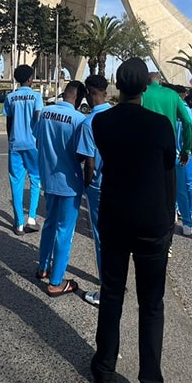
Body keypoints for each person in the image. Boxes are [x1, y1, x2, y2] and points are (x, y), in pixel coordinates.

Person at [90, 58, 188, 383]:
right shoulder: (160, 125)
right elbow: (168, 172)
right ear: (146, 86)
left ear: (117, 85)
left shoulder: (102, 122)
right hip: (151, 222)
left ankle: (104, 370)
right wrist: (169, 221)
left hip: (114, 218)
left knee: (111, 294)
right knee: (151, 304)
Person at [35, 81, 86, 296]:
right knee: (65, 231)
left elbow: (38, 141)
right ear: (79, 98)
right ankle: (56, 281)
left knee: (49, 223)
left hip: (48, 179)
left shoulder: (45, 113)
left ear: (64, 93)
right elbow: (82, 153)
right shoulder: (79, 119)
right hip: (69, 182)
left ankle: (43, 267)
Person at [76, 74, 111, 307]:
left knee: (101, 237)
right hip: (121, 183)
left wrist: (86, 185)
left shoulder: (89, 123)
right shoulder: (118, 115)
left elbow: (88, 162)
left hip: (99, 186)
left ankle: (106, 288)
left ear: (88, 92)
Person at [2, 64, 44, 235]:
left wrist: (10, 140)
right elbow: (38, 118)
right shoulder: (36, 96)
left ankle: (19, 223)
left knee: (16, 181)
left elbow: (9, 122)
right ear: (30, 79)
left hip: (15, 144)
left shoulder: (10, 97)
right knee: (35, 179)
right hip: (33, 144)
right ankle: (31, 218)